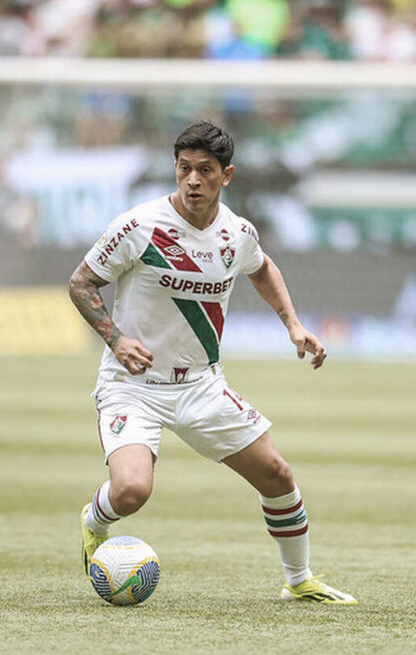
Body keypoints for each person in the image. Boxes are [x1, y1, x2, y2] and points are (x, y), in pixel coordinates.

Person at [69, 120, 356, 605]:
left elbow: (261, 267)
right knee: (132, 492)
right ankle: (94, 520)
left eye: (205, 170)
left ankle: (299, 579)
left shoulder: (237, 233)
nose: (193, 181)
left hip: (200, 385)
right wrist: (116, 340)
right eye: (185, 169)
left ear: (227, 175)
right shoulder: (140, 226)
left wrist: (292, 324)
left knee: (277, 474)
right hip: (133, 385)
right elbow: (81, 283)